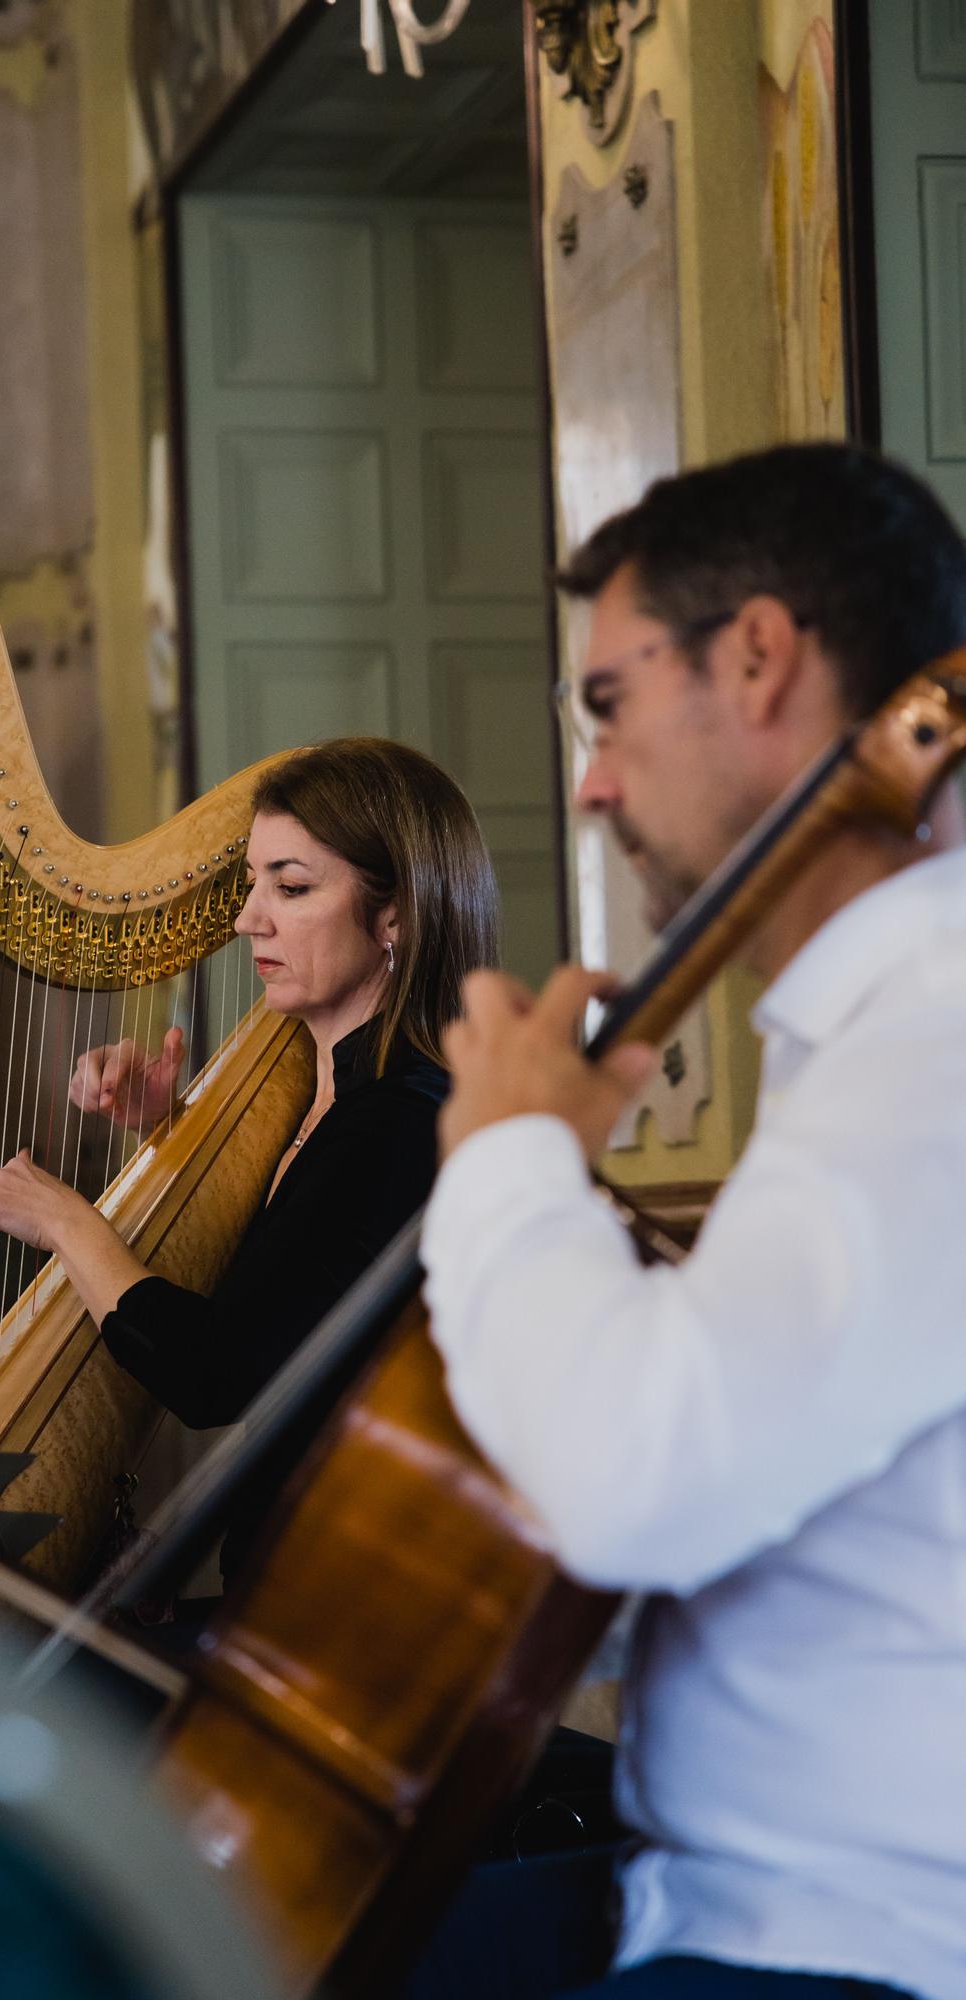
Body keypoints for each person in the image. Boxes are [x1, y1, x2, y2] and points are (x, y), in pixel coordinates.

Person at [415, 443, 966, 2000]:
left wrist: (512, 1159)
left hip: (839, 1949)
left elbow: (629, 1485)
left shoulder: (933, 1049)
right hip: (731, 1898)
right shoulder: (881, 1036)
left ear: (758, 657)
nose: (588, 782)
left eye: (606, 706)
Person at [0, 737, 499, 1575]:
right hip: (283, 1560)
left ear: (397, 916)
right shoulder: (328, 1097)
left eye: (292, 886)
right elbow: (300, 1271)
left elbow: (215, 1375)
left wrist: (62, 1221)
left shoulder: (397, 1122)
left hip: (338, 1600)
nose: (247, 918)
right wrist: (167, 1128)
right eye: (250, 882)